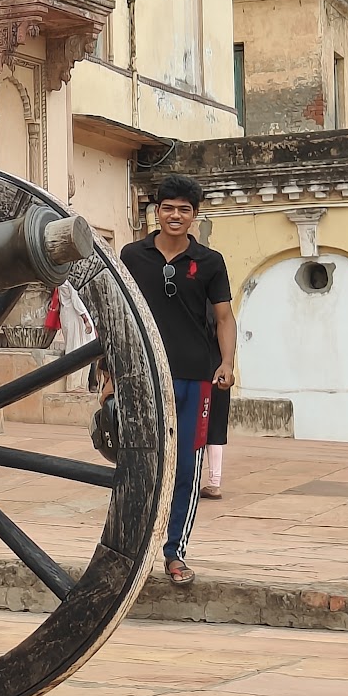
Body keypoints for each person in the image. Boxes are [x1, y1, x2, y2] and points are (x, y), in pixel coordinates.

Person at [119, 174, 235, 587]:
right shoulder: (133, 256)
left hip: (195, 378)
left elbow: (224, 317)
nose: (175, 215)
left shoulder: (209, 262)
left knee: (187, 466)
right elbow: (120, 316)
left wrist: (227, 363)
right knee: (142, 464)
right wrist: (110, 373)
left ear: (194, 216)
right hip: (145, 376)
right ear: (157, 210)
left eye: (184, 209)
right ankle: (132, 550)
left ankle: (175, 553)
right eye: (168, 207)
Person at [200, 385, 230, 500]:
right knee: (216, 431)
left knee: (197, 429)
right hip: (222, 381)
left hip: (204, 380)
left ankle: (190, 480)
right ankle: (214, 483)